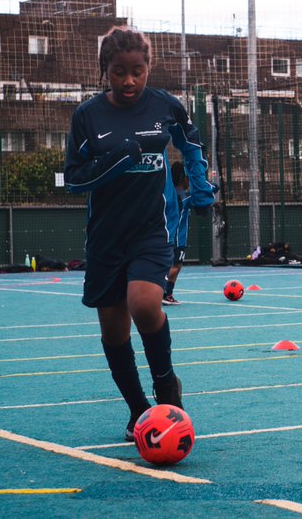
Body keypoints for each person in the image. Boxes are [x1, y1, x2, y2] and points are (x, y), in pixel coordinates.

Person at [64, 26, 214, 442]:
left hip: (152, 228)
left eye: (138, 71)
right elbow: (74, 179)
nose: (129, 81)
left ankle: (167, 388)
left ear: (149, 68)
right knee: (113, 331)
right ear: (104, 72)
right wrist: (120, 157)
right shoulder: (87, 116)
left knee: (145, 304)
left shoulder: (166, 105)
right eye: (118, 72)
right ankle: (138, 412)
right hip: (105, 237)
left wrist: (201, 186)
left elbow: (191, 143)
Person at [162, 161, 190, 305]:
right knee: (175, 266)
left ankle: (167, 293)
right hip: (177, 236)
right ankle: (162, 291)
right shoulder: (183, 195)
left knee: (175, 266)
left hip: (175, 235)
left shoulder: (171, 192)